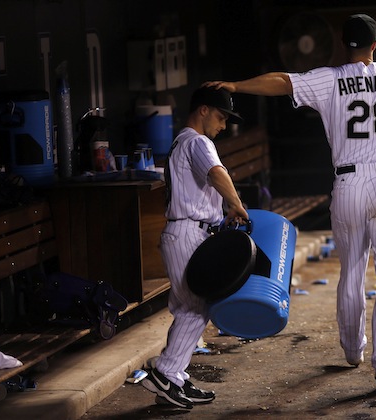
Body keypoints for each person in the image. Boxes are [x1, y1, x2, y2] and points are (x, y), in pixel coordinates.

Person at [204, 13, 376, 389]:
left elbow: (283, 82)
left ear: (343, 45)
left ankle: (353, 350)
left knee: (351, 271)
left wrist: (235, 85)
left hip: (348, 183)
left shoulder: (329, 78)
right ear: (374, 45)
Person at [140, 86, 249, 408]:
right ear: (202, 110)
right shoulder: (197, 141)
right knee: (196, 306)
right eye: (220, 116)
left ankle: (173, 379)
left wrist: (222, 211)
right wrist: (236, 205)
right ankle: (166, 371)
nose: (223, 125)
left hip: (188, 232)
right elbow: (217, 173)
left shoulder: (181, 142)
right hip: (187, 233)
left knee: (190, 307)